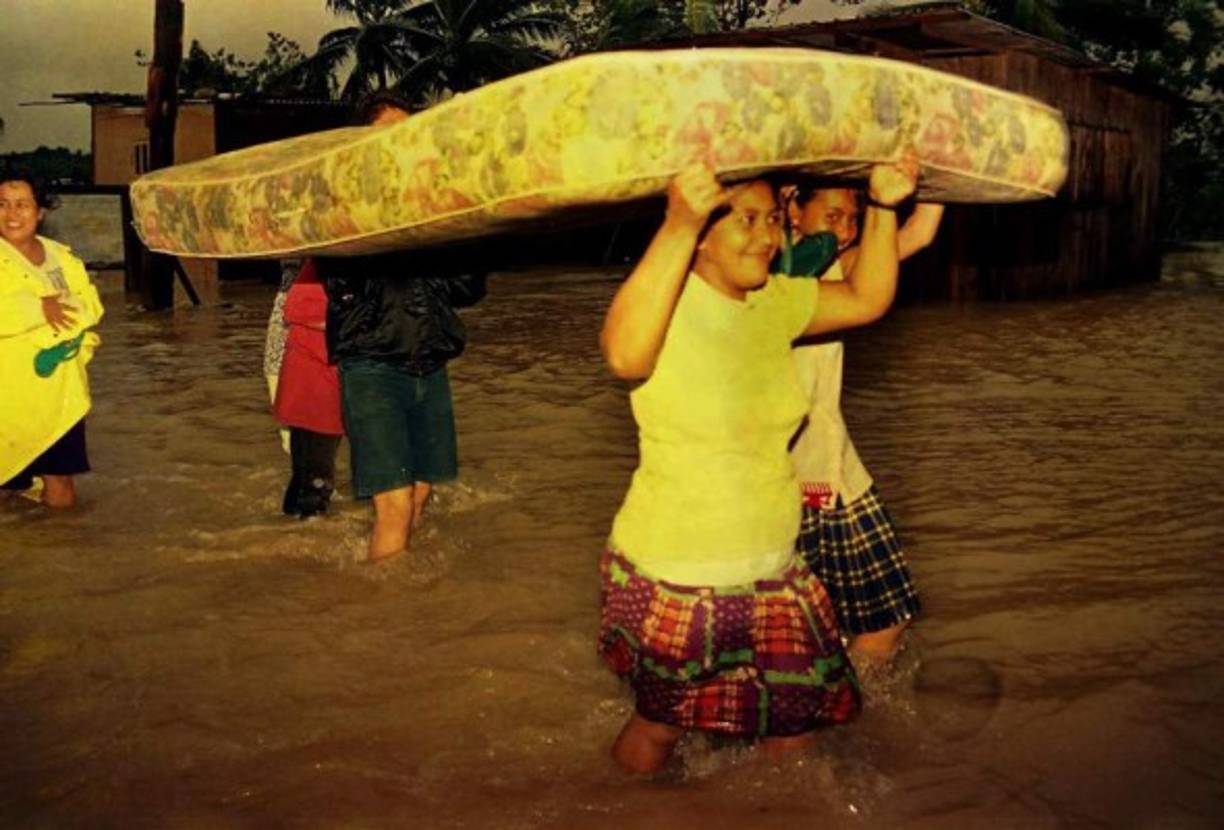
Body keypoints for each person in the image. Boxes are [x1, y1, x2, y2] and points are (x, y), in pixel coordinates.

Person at [597, 155, 919, 774]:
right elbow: (624, 355)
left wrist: (882, 206)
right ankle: (622, 811)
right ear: (703, 233)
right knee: (661, 727)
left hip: (775, 571)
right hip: (681, 575)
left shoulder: (775, 301)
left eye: (772, 218)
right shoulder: (668, 300)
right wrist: (677, 222)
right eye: (745, 219)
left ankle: (772, 812)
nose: (767, 236)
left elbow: (866, 298)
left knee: (794, 729)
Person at [317, 91, 487, 561]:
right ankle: (382, 601)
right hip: (373, 368)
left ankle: (395, 588)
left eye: (408, 134)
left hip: (429, 365)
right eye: (387, 136)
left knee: (421, 494)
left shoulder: (436, 210)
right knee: (394, 503)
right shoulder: (343, 210)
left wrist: (465, 228)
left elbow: (467, 290)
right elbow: (342, 285)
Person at [782, 185, 944, 665]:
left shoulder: (840, 269)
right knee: (874, 619)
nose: (846, 230)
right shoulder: (767, 281)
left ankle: (845, 698)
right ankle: (850, 701)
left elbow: (920, 232)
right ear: (792, 207)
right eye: (832, 216)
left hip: (834, 465)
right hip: (806, 477)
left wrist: (937, 174)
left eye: (853, 219)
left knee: (861, 620)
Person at [0, 168, 104, 508]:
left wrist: (75, 323)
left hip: (61, 392)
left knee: (60, 481)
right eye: (2, 204)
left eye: (22, 204)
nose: (11, 214)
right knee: (6, 481)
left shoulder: (62, 256)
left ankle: (62, 542)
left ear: (40, 211)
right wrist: (37, 308)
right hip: (9, 394)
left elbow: (89, 302)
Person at [273, 258, 344, 518]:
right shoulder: (323, 271)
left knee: (308, 475)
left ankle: (296, 531)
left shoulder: (316, 268)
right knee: (314, 479)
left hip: (313, 373)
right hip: (316, 376)